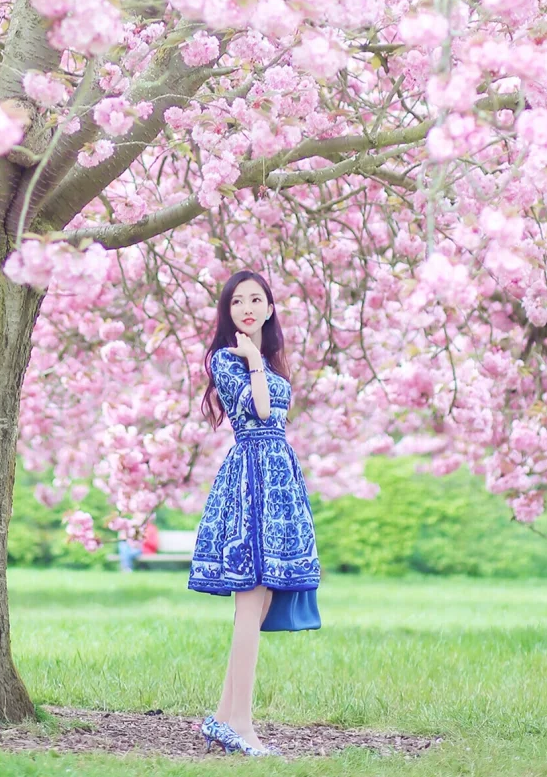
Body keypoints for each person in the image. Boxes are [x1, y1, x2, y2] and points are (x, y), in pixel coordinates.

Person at [188, 269, 320, 757]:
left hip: (278, 479)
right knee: (250, 604)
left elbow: (278, 420)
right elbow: (262, 413)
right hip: (249, 484)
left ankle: (223, 719)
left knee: (260, 604)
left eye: (256, 299)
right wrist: (251, 362)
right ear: (228, 312)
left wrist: (259, 361)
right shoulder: (227, 359)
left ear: (269, 308)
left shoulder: (267, 360)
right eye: (237, 301)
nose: (246, 307)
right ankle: (240, 725)